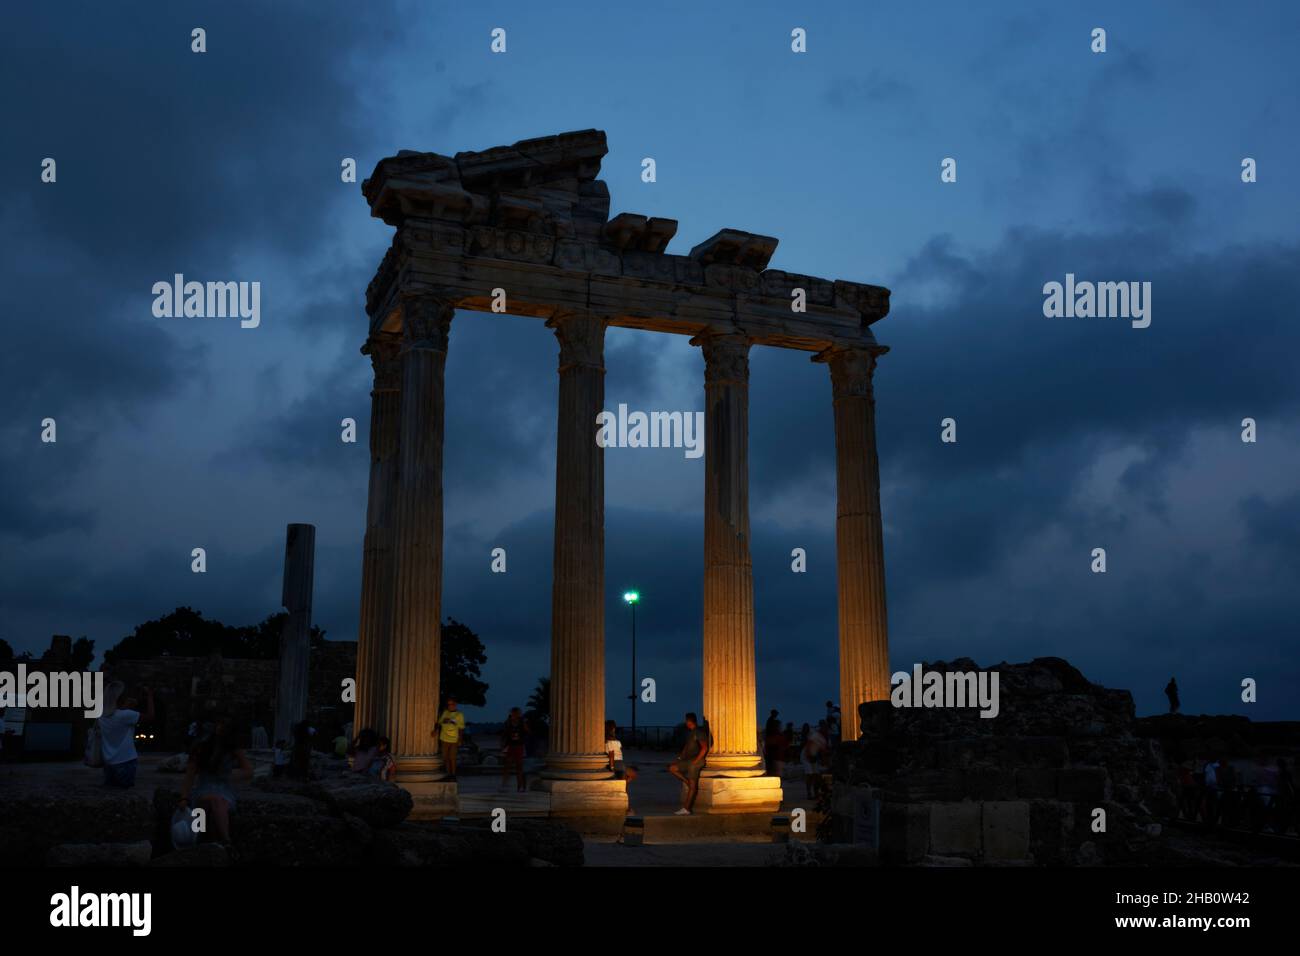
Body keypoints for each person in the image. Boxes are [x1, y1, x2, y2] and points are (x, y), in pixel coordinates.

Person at [179, 716, 253, 847]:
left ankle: (220, 842)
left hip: (224, 791)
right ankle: (217, 840)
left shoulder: (232, 748)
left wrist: (229, 775)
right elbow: (189, 776)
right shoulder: (200, 748)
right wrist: (184, 798)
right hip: (203, 790)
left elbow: (248, 771)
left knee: (218, 805)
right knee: (210, 804)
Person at [98, 682, 154, 789]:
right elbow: (150, 716)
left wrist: (125, 707)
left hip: (108, 762)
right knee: (125, 795)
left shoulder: (102, 716)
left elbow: (116, 715)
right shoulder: (126, 715)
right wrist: (150, 696)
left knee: (110, 795)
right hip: (125, 760)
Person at [667, 713, 710, 815]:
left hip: (695, 762)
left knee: (692, 785)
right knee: (672, 768)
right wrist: (679, 759)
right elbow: (686, 747)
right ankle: (687, 782)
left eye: (686, 721)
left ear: (690, 721)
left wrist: (695, 761)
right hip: (687, 761)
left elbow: (704, 748)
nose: (686, 723)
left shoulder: (699, 732)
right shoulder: (690, 732)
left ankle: (686, 808)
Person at [433, 696, 465, 781]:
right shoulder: (445, 713)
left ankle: (453, 775)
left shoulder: (459, 714)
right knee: (445, 757)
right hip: (444, 739)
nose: (450, 706)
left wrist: (460, 740)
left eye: (452, 704)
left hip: (454, 740)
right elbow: (439, 723)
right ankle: (448, 774)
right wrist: (435, 730)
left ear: (455, 704)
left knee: (452, 758)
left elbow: (461, 728)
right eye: (448, 704)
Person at [500, 708, 529, 792]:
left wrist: (524, 723)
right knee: (507, 765)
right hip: (510, 746)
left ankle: (520, 786)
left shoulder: (522, 722)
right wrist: (502, 746)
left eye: (516, 713)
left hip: (519, 746)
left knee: (519, 767)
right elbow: (504, 735)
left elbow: (528, 731)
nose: (514, 715)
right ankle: (504, 784)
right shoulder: (508, 723)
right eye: (513, 713)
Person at [801, 721, 830, 799]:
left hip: (814, 756)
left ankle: (816, 793)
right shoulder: (815, 735)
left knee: (816, 775)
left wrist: (825, 761)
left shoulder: (824, 739)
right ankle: (809, 793)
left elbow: (823, 751)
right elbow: (808, 745)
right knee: (810, 774)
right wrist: (808, 756)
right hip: (806, 755)